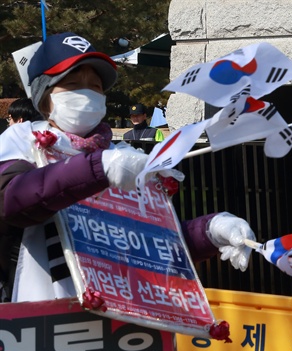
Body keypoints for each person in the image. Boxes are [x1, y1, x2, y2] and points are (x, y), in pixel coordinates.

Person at [0, 32, 254, 303]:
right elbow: (10, 200)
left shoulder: (120, 156)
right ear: (44, 99)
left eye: (95, 87)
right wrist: (97, 169)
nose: (86, 94)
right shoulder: (22, 138)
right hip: (39, 318)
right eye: (72, 84)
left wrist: (209, 231)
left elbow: (152, 247)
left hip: (121, 323)